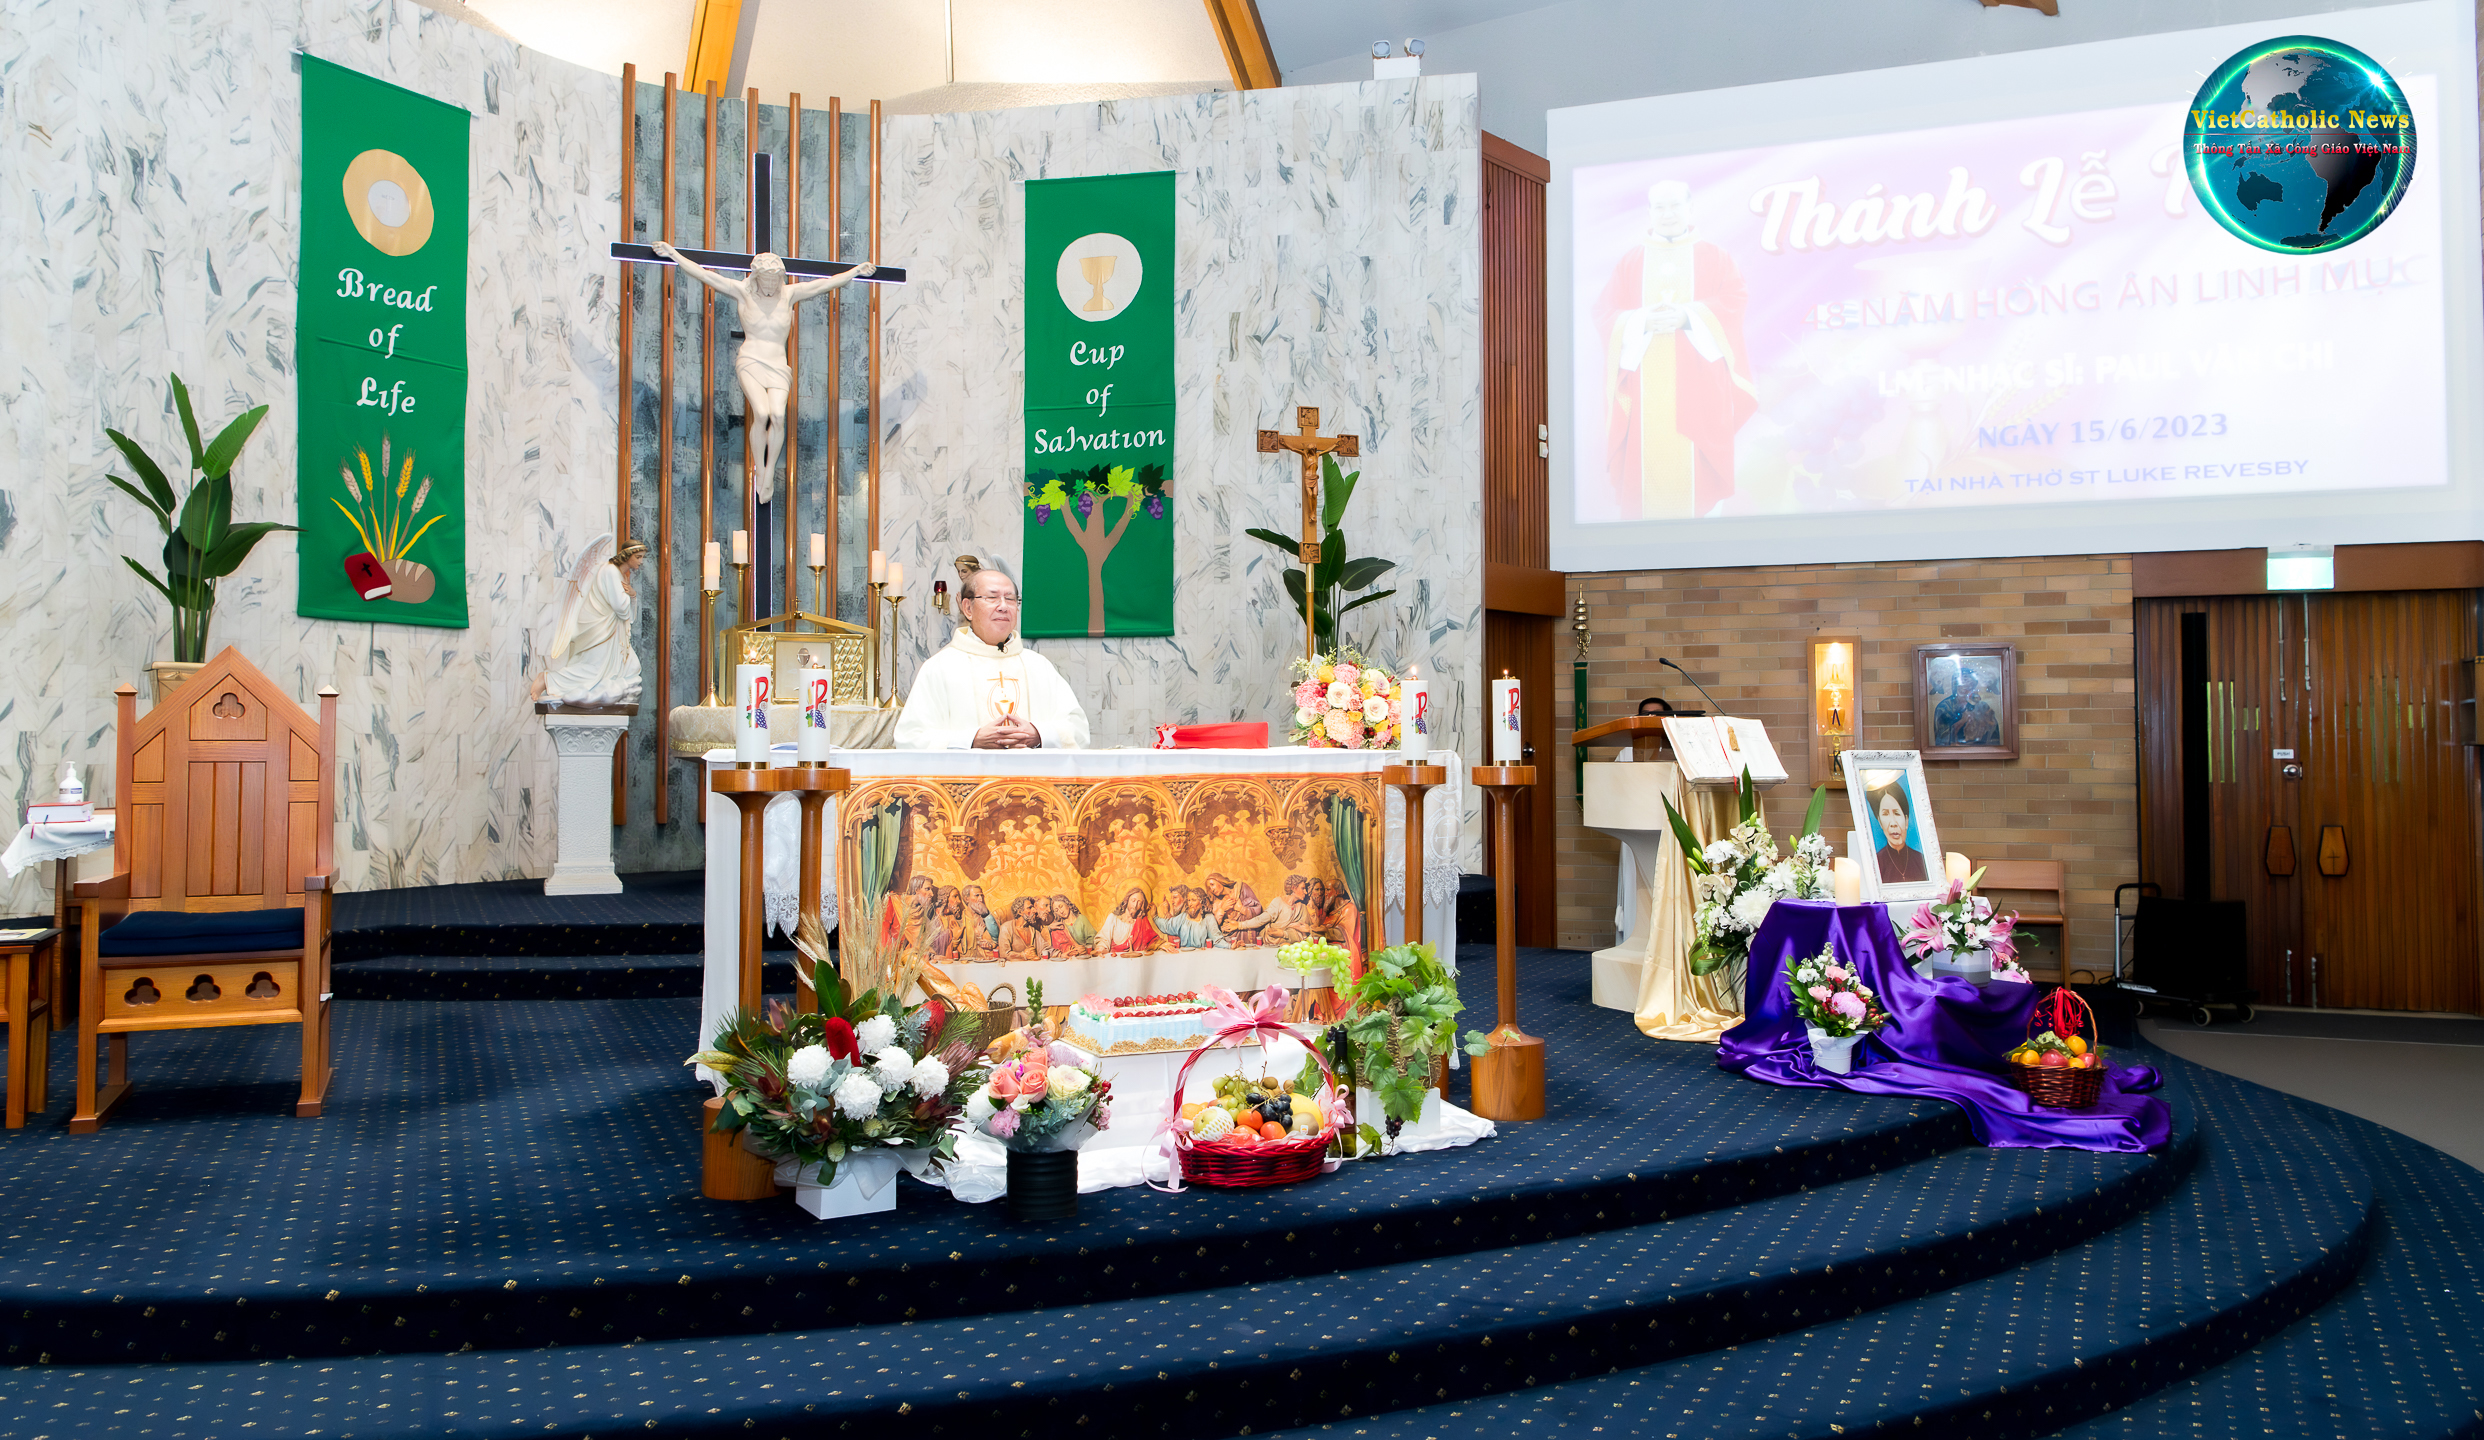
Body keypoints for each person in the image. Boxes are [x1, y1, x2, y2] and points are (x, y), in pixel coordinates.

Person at [1591, 181, 1758, 520]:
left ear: (1690, 208)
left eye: (1675, 206)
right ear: (1649, 212)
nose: (1667, 214)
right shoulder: (1631, 262)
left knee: (1698, 485)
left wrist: (1688, 316)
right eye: (1659, 207)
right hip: (1644, 394)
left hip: (1699, 386)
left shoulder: (1716, 257)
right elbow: (1605, 313)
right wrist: (1641, 321)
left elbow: (1734, 301)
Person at [893, 564, 1091, 750]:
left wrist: (1039, 734)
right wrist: (971, 740)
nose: (1003, 606)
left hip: (1030, 776)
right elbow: (910, 738)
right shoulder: (940, 667)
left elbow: (1079, 730)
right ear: (968, 608)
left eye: (1010, 599)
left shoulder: (1038, 666)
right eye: (992, 597)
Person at [533, 538, 647, 706]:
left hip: (611, 629)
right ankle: (547, 679)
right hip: (599, 628)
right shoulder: (610, 571)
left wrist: (633, 595)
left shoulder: (619, 574)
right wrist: (631, 595)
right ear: (627, 555)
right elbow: (621, 608)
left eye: (642, 557)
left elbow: (626, 613)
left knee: (631, 667)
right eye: (638, 557)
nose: (641, 561)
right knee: (592, 669)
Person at [1868, 777, 1930, 884]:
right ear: (1880, 822)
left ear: (1906, 820)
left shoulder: (1922, 862)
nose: (1893, 823)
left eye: (1897, 813)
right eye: (1885, 814)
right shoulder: (1875, 864)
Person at [1098, 888, 1167, 955]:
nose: (1135, 905)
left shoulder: (1142, 921)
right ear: (1127, 900)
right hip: (1116, 959)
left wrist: (1162, 944)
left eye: (1139, 903)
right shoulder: (1113, 918)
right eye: (1133, 900)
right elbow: (1104, 939)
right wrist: (1101, 949)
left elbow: (1152, 940)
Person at [1613, 695, 1674, 764]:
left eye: (1656, 713)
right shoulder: (1629, 751)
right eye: (1645, 714)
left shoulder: (1677, 747)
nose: (1650, 717)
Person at [1162, 887, 1229, 950]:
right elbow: (1167, 925)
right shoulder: (1183, 916)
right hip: (1184, 954)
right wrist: (1159, 916)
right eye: (1189, 900)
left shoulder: (1208, 917)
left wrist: (1229, 946)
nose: (1190, 904)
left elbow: (1217, 939)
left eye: (1193, 900)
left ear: (1202, 902)